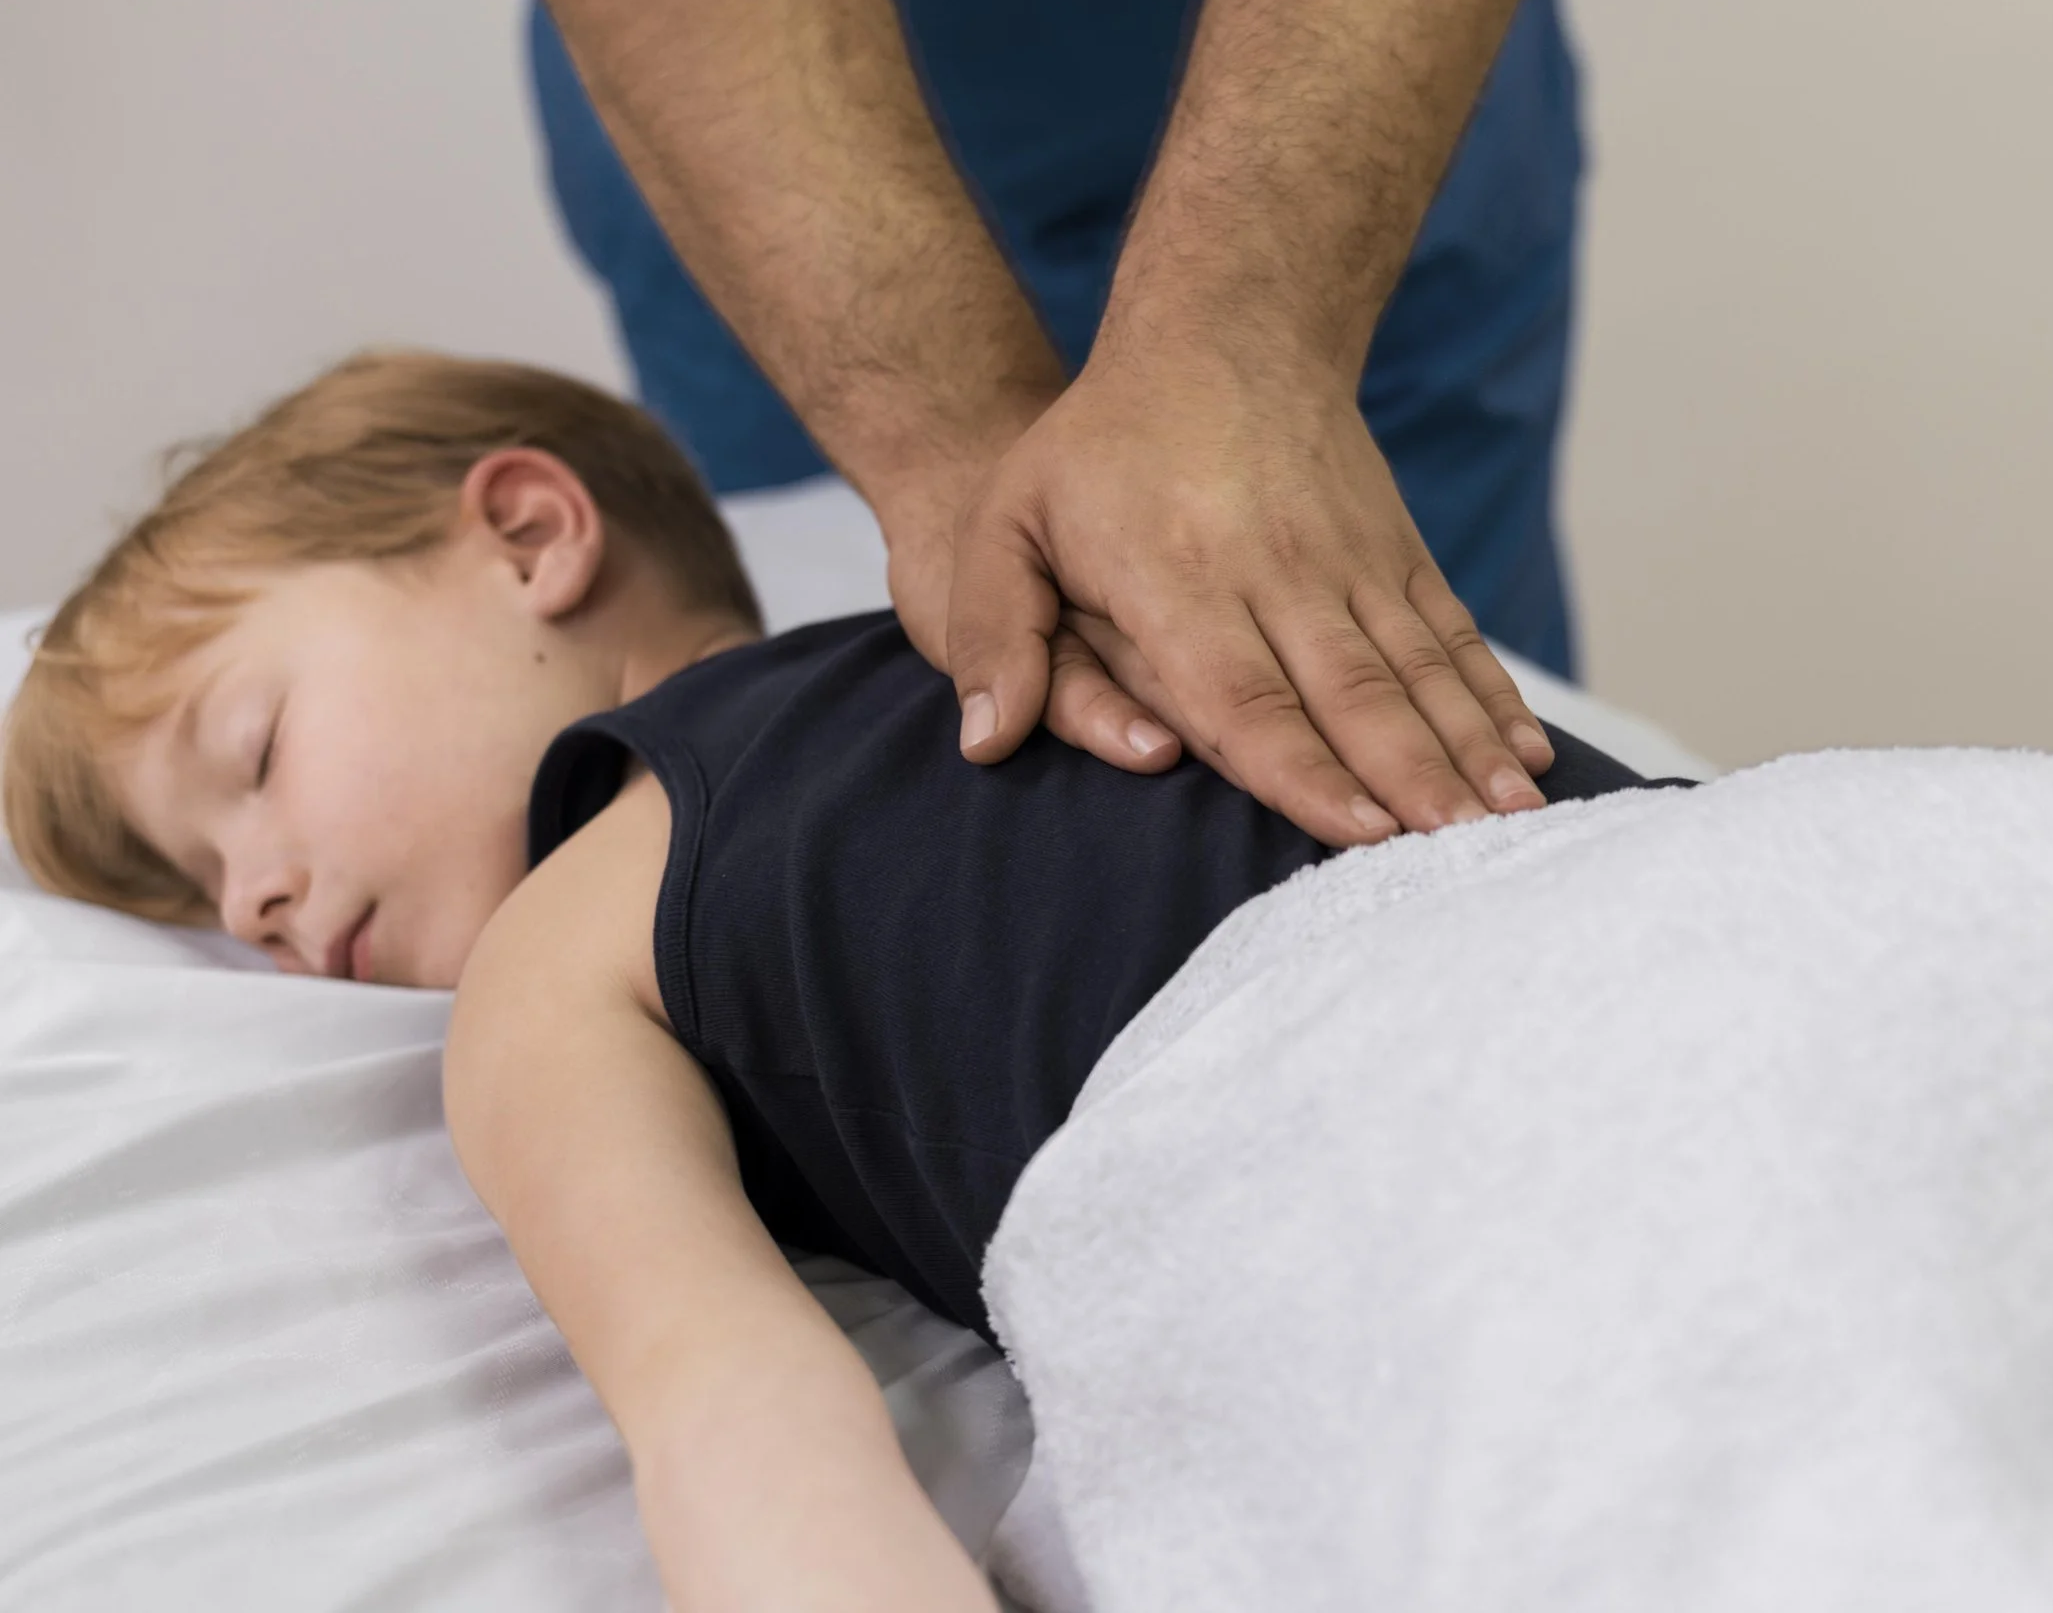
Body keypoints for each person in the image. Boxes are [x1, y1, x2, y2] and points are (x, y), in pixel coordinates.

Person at [1, 353, 1674, 1608]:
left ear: (525, 533)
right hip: (1506, 1156)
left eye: (253, 749)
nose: (260, 895)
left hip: (1625, 909)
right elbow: (724, 1397)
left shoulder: (1063, 587)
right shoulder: (556, 979)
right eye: (209, 892)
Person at [520, 0, 1587, 854]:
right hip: (777, 109)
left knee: (1403, 727)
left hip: (1330, 47)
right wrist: (941, 447)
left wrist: (1247, 343)